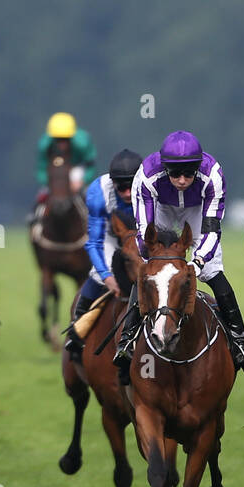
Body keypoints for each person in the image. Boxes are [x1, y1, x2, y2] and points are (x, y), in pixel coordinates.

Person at [113, 131, 244, 381]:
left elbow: (212, 230)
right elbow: (145, 233)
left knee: (213, 272)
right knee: (149, 270)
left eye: (188, 174)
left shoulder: (213, 175)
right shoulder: (145, 176)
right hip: (162, 209)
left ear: (198, 168)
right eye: (175, 173)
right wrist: (157, 259)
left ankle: (240, 342)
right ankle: (127, 340)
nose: (181, 180)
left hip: (197, 211)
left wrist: (197, 261)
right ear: (165, 168)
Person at [62, 149, 142, 361]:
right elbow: (94, 242)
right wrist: (107, 276)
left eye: (131, 186)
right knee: (98, 275)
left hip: (141, 236)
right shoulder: (99, 192)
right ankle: (77, 329)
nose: (126, 193)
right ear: (112, 182)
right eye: (121, 187)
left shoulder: (150, 187)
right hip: (110, 235)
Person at [36, 112, 96, 202]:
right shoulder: (45, 146)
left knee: (88, 197)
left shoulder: (82, 144)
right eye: (58, 140)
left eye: (65, 139)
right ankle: (34, 215)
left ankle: (91, 214)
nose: (62, 143)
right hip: (54, 173)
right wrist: (51, 183)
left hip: (76, 170)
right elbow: (41, 170)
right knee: (41, 198)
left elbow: (91, 167)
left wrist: (82, 181)